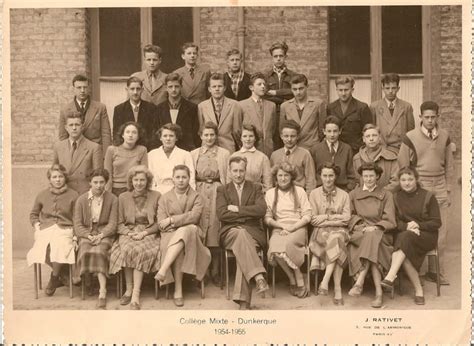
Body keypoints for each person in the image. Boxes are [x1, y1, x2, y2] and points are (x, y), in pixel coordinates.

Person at [398, 101, 454, 286]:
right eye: (426, 117)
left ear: (438, 117)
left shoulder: (445, 136)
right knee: (419, 226)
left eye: (433, 117)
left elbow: (450, 165)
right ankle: (414, 269)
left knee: (442, 229)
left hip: (439, 185)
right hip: (420, 185)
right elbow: (403, 165)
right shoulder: (410, 137)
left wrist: (448, 189)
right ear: (420, 117)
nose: (430, 120)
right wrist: (410, 186)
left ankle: (435, 271)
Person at [381, 167, 441, 305]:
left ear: (416, 179)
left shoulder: (428, 196)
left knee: (403, 242)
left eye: (410, 179)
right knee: (404, 245)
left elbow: (436, 222)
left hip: (426, 236)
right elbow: (394, 222)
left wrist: (417, 225)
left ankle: (391, 276)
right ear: (399, 182)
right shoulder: (396, 198)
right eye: (403, 180)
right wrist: (407, 227)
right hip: (405, 234)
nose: (407, 183)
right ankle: (418, 290)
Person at [216, 156, 269, 310]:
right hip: (230, 232)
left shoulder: (255, 188)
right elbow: (221, 214)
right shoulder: (222, 189)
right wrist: (247, 214)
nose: (238, 174)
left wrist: (238, 209)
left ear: (246, 171)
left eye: (241, 170)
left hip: (252, 232)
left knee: (243, 246)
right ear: (230, 172)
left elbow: (261, 210)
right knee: (240, 236)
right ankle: (258, 276)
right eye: (235, 171)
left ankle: (243, 303)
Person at [155, 165, 211, 307]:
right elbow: (161, 223)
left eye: (184, 177)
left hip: (193, 234)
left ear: (189, 178)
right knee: (180, 242)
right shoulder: (164, 198)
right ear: (173, 179)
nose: (181, 180)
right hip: (169, 235)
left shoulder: (197, 196)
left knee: (188, 229)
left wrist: (172, 220)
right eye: (178, 177)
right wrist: (179, 222)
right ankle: (178, 290)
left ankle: (163, 270)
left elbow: (195, 217)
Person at [108, 165, 161, 310]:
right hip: (129, 231)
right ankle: (129, 289)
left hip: (148, 232)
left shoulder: (156, 196)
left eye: (142, 180)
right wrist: (129, 233)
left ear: (147, 181)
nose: (139, 183)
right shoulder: (123, 197)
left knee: (141, 250)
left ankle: (136, 294)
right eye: (136, 180)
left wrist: (144, 233)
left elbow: (159, 222)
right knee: (127, 249)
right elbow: (118, 223)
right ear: (131, 181)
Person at [347, 162, 396, 308]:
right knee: (371, 240)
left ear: (378, 177)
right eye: (365, 176)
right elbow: (350, 216)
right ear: (361, 177)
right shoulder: (353, 194)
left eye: (371, 176)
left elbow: (390, 220)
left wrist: (375, 226)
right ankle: (379, 293)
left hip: (381, 232)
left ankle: (360, 282)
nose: (368, 179)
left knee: (373, 238)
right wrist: (362, 227)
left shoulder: (386, 195)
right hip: (360, 233)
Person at [27, 164, 79, 296]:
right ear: (49, 179)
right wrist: (36, 225)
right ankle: (64, 274)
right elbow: (33, 214)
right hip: (46, 228)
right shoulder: (42, 195)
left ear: (65, 178)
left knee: (60, 246)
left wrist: (75, 234)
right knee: (41, 248)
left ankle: (55, 277)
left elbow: (76, 216)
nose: (57, 180)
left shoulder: (73, 195)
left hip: (65, 228)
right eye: (54, 177)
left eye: (60, 176)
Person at [190, 122, 230, 284]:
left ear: (216, 136)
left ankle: (216, 270)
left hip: (216, 190)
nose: (209, 138)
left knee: (215, 226)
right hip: (199, 191)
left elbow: (227, 176)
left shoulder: (224, 153)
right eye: (206, 135)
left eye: (212, 134)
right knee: (200, 228)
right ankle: (202, 272)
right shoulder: (193, 154)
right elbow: (191, 175)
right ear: (201, 136)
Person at [265, 162, 312, 298]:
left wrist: (292, 227)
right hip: (279, 227)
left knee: (288, 244)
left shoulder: (300, 191)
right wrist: (281, 226)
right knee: (274, 247)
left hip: (297, 226)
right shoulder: (270, 193)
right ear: (276, 177)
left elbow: (307, 215)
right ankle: (293, 277)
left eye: (286, 175)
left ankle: (299, 278)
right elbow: (267, 218)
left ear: (292, 177)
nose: (283, 178)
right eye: (280, 175)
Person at [73, 168, 118, 309]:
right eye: (95, 182)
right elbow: (77, 223)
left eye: (102, 182)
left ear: (106, 183)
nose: (99, 185)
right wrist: (88, 235)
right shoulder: (81, 200)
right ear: (90, 183)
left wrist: (101, 235)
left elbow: (113, 223)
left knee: (100, 250)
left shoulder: (112, 199)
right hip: (87, 232)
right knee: (85, 249)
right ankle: (87, 281)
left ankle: (102, 291)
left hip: (104, 233)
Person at [308, 162, 351, 305]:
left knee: (337, 238)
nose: (328, 179)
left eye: (331, 176)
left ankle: (325, 281)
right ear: (320, 176)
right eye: (325, 176)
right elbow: (313, 220)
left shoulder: (344, 195)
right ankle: (337, 289)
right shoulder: (314, 194)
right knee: (336, 241)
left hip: (340, 232)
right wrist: (333, 218)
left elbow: (346, 220)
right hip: (320, 233)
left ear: (336, 177)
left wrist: (325, 218)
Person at [59, 74, 112, 155]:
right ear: (73, 89)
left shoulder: (100, 108)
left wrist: (106, 156)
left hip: (95, 152)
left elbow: (106, 134)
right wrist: (66, 156)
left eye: (85, 87)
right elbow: (63, 137)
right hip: (75, 153)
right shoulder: (65, 110)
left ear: (88, 88)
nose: (82, 90)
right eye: (79, 87)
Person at [53, 111, 103, 194]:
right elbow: (54, 172)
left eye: (77, 125)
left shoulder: (94, 147)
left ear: (82, 127)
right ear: (66, 127)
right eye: (71, 125)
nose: (74, 128)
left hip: (84, 193)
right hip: (64, 193)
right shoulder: (58, 147)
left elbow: (97, 177)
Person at [325, 75, 373, 153]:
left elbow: (368, 131)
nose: (343, 93)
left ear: (352, 90)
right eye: (340, 90)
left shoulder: (362, 107)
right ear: (336, 90)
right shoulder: (330, 107)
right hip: (337, 150)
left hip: (356, 150)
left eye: (346, 90)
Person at [198, 73, 243, 153]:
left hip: (228, 148)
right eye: (214, 86)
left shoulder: (235, 105)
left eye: (220, 86)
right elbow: (201, 130)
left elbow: (237, 131)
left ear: (225, 88)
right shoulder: (202, 106)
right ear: (209, 89)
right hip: (208, 149)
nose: (217, 89)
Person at [154, 73, 200, 151]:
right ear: (166, 88)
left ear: (181, 87)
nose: (173, 89)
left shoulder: (192, 108)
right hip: (165, 150)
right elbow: (156, 133)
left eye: (176, 86)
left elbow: (195, 132)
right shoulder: (159, 108)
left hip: (185, 149)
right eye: (170, 87)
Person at [264, 41, 297, 149]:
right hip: (271, 114)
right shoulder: (266, 76)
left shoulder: (293, 76)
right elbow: (265, 95)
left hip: (288, 114)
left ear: (285, 56)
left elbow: (294, 92)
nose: (278, 59)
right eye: (275, 56)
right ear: (272, 58)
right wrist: (283, 100)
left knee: (288, 141)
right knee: (273, 142)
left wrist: (276, 92)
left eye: (281, 56)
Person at [370, 73, 415, 153]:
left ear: (398, 88)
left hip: (400, 150)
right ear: (383, 88)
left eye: (393, 88)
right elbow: (372, 130)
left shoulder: (406, 107)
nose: (390, 91)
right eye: (387, 88)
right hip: (381, 150)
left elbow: (410, 132)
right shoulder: (374, 107)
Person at [280, 74, 326, 150]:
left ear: (307, 87)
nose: (298, 92)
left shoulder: (318, 104)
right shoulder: (285, 106)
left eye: (301, 88)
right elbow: (282, 130)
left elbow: (322, 129)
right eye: (294, 89)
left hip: (312, 148)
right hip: (292, 148)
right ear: (291, 89)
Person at [310, 116, 356, 191]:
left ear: (340, 131)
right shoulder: (315, 149)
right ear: (324, 131)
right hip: (321, 190)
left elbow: (351, 174)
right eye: (329, 131)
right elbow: (312, 175)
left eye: (335, 131)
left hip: (342, 189)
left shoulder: (347, 149)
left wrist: (348, 189)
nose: (332, 135)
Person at [270, 120, 316, 193]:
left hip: (299, 193)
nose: (289, 139)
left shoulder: (305, 154)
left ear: (298, 136)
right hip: (280, 194)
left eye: (293, 136)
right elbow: (271, 179)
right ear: (281, 136)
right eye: (286, 136)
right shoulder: (275, 155)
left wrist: (308, 196)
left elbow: (311, 179)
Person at [148, 123, 195, 195]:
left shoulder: (185, 154)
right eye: (165, 136)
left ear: (176, 138)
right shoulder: (152, 154)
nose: (168, 139)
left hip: (179, 193)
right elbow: (149, 177)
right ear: (160, 138)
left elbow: (191, 178)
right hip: (158, 192)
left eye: (171, 136)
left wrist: (189, 195)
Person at [112, 76, 157, 150]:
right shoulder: (119, 109)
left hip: (146, 149)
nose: (135, 92)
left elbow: (154, 133)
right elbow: (116, 133)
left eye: (138, 89)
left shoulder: (151, 108)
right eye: (132, 89)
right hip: (126, 150)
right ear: (127, 90)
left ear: (142, 90)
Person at [104, 122, 148, 197]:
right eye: (127, 132)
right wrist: (108, 194)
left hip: (134, 189)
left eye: (134, 133)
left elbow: (143, 174)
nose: (130, 135)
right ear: (122, 135)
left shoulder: (142, 150)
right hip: (115, 190)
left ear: (138, 136)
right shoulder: (111, 150)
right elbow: (107, 175)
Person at [239, 72, 277, 157]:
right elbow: (238, 130)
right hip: (250, 149)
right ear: (251, 87)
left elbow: (273, 129)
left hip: (268, 149)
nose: (263, 86)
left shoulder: (272, 106)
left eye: (264, 84)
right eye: (259, 84)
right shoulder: (242, 105)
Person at [353, 124, 399, 191]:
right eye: (368, 136)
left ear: (379, 138)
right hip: (364, 198)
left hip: (385, 197)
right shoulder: (357, 158)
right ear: (363, 139)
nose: (371, 139)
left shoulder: (391, 157)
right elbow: (356, 182)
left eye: (374, 135)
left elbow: (395, 182)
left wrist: (380, 194)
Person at [228, 124, 272, 192]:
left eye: (251, 136)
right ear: (241, 138)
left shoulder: (263, 157)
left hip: (256, 194)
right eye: (245, 136)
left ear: (255, 138)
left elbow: (268, 183)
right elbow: (229, 180)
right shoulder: (233, 156)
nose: (248, 139)